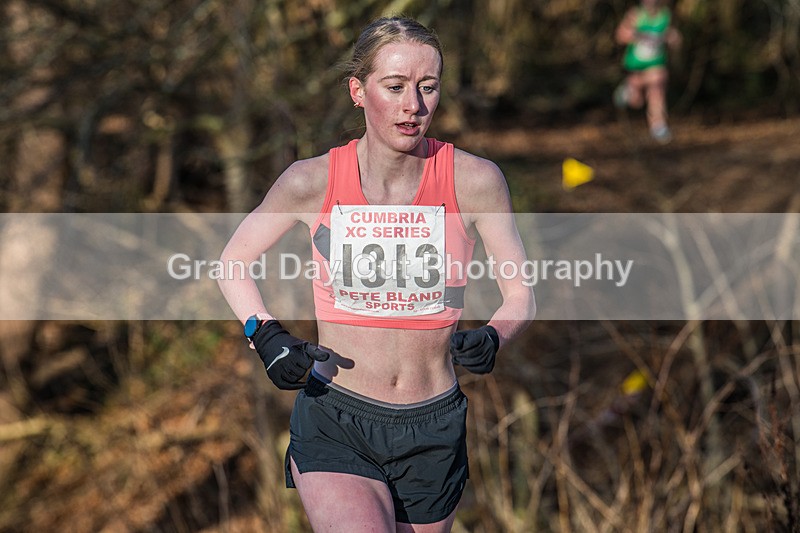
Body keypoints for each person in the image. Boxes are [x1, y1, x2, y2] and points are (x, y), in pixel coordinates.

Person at [218, 16, 535, 532]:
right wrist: (265, 333)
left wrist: (495, 335)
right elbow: (233, 264)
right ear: (358, 91)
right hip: (335, 417)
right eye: (395, 87)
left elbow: (521, 294)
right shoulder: (310, 181)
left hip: (433, 425)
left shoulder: (475, 182)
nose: (415, 105)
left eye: (428, 87)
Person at [614, 0, 682, 144]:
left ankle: (658, 125)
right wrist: (637, 35)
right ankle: (627, 90)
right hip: (635, 65)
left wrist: (673, 37)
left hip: (656, 63)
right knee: (636, 102)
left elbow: (673, 36)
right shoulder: (636, 14)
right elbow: (620, 35)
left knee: (657, 86)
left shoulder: (665, 15)